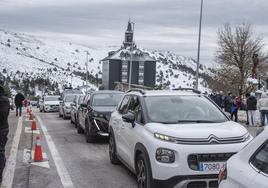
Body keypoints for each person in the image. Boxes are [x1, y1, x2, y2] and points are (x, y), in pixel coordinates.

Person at [0, 79, 10, 183]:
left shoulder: (4, 100)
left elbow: (3, 115)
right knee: (1, 150)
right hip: (4, 128)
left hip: (2, 128)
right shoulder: (5, 99)